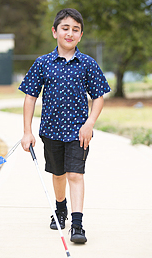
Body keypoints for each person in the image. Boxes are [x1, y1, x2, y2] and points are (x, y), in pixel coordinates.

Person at [19, 8, 111, 244]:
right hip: (50, 131)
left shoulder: (88, 64)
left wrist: (90, 123)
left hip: (78, 132)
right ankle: (61, 208)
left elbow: (99, 95)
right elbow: (30, 96)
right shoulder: (43, 63)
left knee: (75, 174)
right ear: (55, 31)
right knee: (58, 174)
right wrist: (27, 132)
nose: (70, 33)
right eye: (65, 28)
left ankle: (77, 225)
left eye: (75, 30)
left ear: (81, 35)